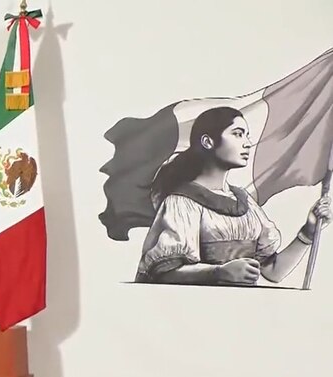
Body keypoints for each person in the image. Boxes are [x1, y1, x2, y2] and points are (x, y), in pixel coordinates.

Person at [136, 106, 330, 285]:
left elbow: (273, 271)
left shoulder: (245, 202)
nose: (247, 143)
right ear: (208, 142)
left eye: (247, 135)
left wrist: (308, 232)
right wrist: (219, 273)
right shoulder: (182, 202)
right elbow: (164, 274)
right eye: (238, 134)